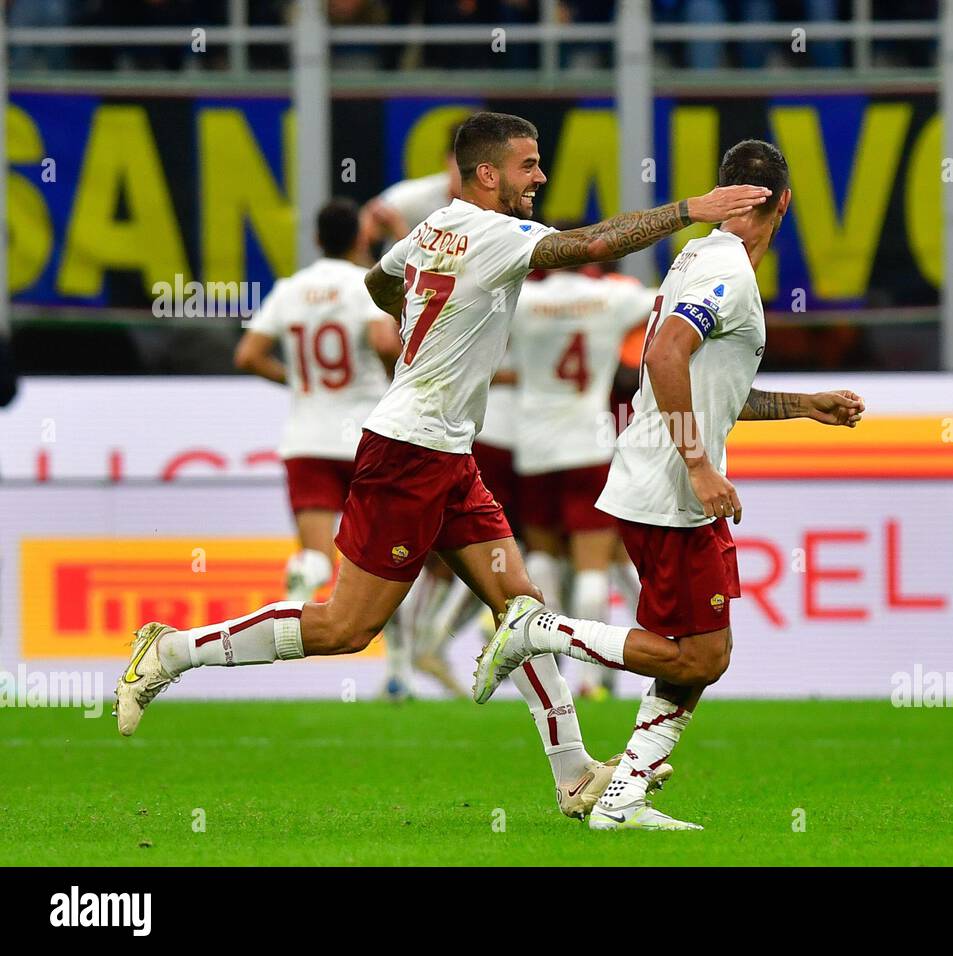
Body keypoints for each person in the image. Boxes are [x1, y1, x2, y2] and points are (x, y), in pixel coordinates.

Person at [115, 111, 770, 819]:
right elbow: (590, 242)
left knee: (520, 606)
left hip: (444, 452)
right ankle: (174, 651)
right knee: (344, 627)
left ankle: (575, 772)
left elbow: (378, 280)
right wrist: (687, 212)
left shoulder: (431, 229)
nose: (540, 177)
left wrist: (419, 337)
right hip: (410, 452)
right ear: (487, 174)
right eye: (528, 165)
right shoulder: (495, 234)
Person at [472, 139, 865, 830]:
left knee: (697, 653)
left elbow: (709, 384)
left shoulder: (699, 257)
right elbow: (663, 354)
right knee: (702, 654)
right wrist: (697, 463)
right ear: (786, 203)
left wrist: (803, 406)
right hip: (669, 489)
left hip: (661, 481)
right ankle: (540, 631)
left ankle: (624, 796)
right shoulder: (729, 273)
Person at [233, 198, 401, 604]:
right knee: (387, 558)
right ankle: (397, 664)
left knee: (316, 559)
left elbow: (248, 356)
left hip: (306, 440)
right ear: (360, 237)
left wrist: (297, 379)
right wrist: (396, 380)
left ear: (316, 239)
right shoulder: (364, 285)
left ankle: (294, 604)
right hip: (366, 437)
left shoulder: (290, 289)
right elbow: (383, 341)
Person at [510, 258, 658, 698]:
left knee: (542, 560)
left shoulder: (524, 299)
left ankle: (549, 670)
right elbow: (670, 301)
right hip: (590, 443)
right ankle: (591, 677)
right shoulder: (610, 297)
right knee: (594, 564)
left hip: (533, 446)